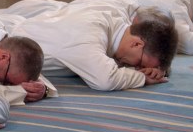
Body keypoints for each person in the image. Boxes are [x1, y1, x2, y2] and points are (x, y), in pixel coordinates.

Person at [12, 6, 178, 91]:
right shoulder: (90, 32)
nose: (137, 68)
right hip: (1, 43)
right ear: (137, 44)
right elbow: (105, 80)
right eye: (141, 63)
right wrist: (142, 78)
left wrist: (159, 69)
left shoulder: (117, 29)